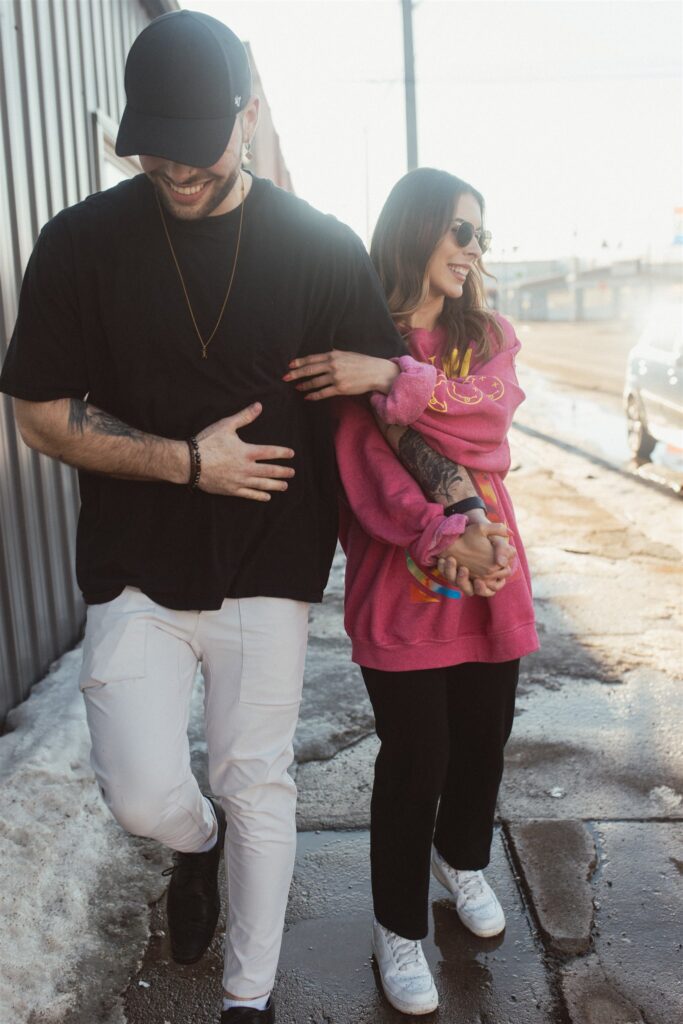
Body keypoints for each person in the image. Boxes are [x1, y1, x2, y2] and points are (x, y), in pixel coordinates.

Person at [0, 13, 510, 1023]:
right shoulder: (81, 243)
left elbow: (384, 404)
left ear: (248, 114)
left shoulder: (315, 245)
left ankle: (249, 996)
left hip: (271, 563)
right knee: (144, 791)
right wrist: (190, 462)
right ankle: (193, 848)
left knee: (257, 779)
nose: (176, 168)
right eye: (156, 146)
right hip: (135, 565)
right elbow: (38, 417)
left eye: (198, 143)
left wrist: (455, 500)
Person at [288, 167, 539, 1015]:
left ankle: (461, 861)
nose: (471, 250)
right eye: (457, 231)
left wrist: (397, 377)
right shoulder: (359, 335)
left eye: (480, 235)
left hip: (490, 570)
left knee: (483, 737)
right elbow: (364, 465)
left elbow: (485, 416)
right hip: (405, 576)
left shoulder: (485, 337)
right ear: (416, 229)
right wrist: (442, 535)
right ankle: (396, 928)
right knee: (415, 761)